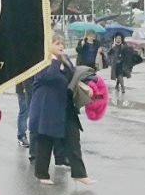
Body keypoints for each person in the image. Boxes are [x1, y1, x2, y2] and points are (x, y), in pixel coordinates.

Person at [28, 35, 96, 186]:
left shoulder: (65, 60)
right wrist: (54, 60)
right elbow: (48, 76)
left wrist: (85, 87)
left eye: (62, 43)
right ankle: (41, 173)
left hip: (65, 106)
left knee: (73, 138)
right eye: (57, 43)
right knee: (46, 141)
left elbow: (73, 78)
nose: (61, 46)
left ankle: (79, 174)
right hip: (47, 108)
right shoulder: (43, 61)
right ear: (48, 45)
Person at [15, 77, 33, 147]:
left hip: (28, 87)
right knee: (24, 112)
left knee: (26, 112)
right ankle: (21, 136)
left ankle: (22, 136)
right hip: (23, 89)